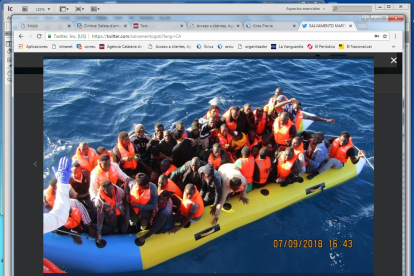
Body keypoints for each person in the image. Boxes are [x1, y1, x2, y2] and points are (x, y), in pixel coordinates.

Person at [44, 157, 78, 234]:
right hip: (62, 212)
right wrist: (62, 184)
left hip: (66, 207)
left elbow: (75, 196)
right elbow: (59, 217)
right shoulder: (48, 196)